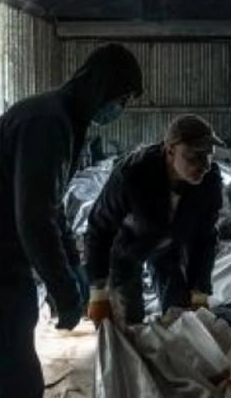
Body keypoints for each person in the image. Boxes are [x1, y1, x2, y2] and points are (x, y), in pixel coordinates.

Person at [0, 44, 143, 398]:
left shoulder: (62, 119)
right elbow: (33, 218)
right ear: (102, 88)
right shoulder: (48, 125)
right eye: (121, 99)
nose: (120, 110)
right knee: (18, 382)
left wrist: (74, 269)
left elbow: (52, 210)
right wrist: (63, 289)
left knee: (11, 377)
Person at [82, 114, 223, 325]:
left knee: (183, 317)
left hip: (170, 247)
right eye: (194, 156)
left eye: (209, 156)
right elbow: (99, 229)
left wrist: (200, 292)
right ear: (170, 151)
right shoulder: (132, 174)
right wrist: (98, 293)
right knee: (128, 323)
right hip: (127, 246)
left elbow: (205, 237)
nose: (204, 165)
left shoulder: (208, 181)